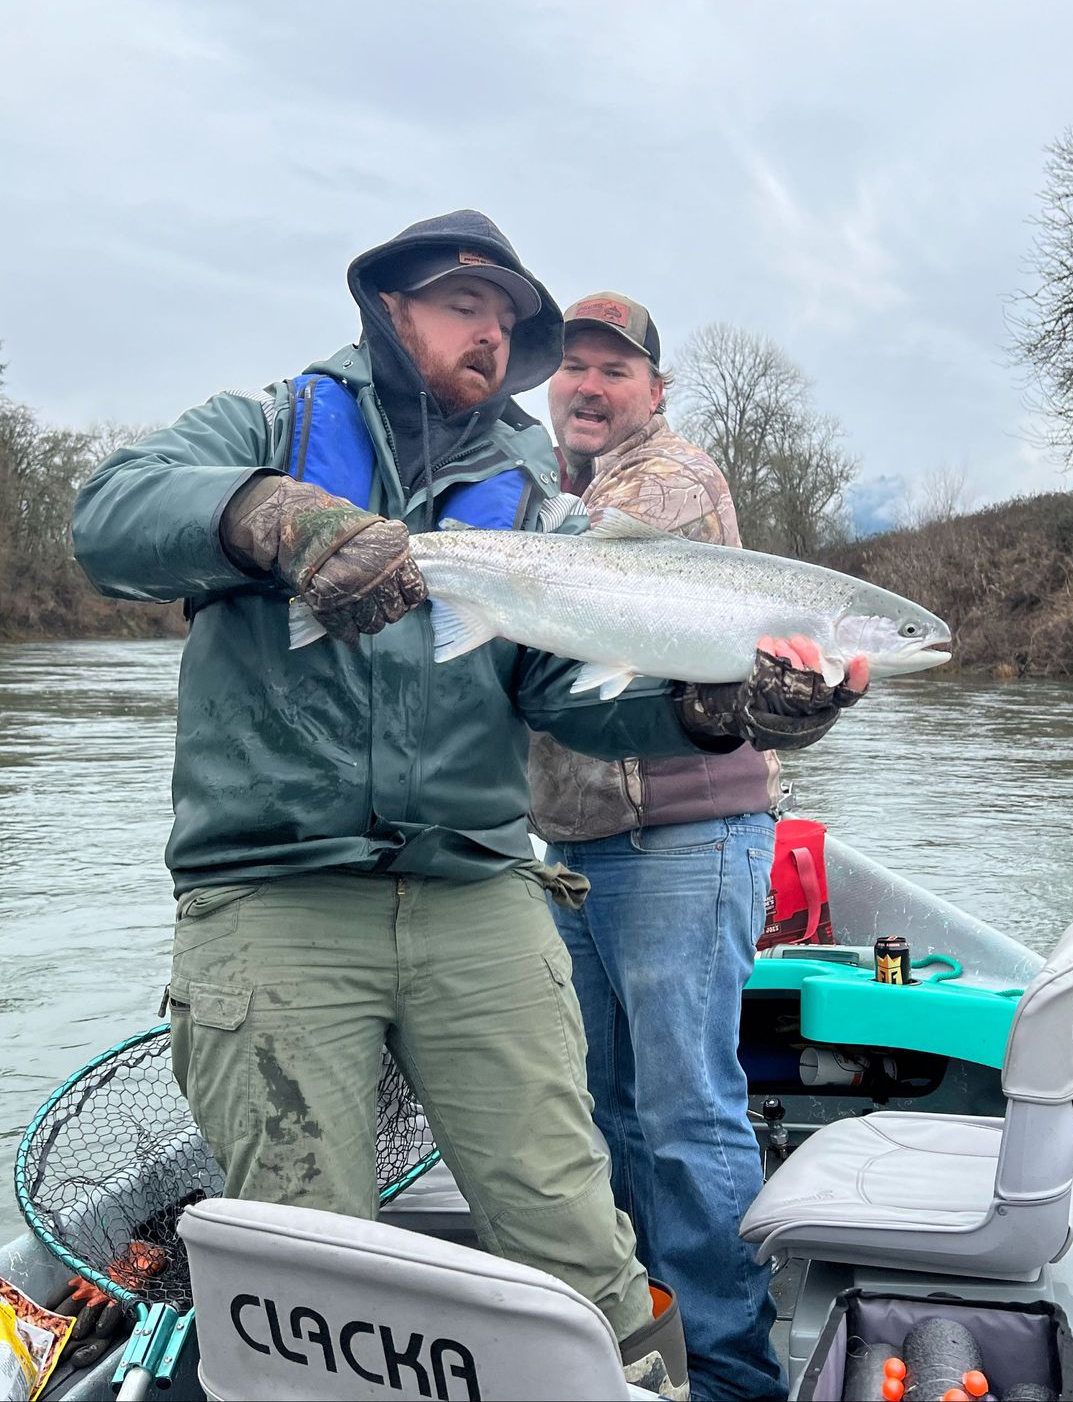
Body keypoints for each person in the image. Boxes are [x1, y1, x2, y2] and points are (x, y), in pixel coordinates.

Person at [72, 215, 850, 1397]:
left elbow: (565, 704)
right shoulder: (268, 423)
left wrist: (714, 713)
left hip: (477, 892)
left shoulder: (526, 489)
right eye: (462, 303)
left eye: (506, 319)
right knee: (304, 1259)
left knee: (574, 1231)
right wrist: (267, 517)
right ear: (389, 305)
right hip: (273, 894)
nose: (490, 333)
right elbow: (108, 520)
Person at [529, 291, 868, 1402]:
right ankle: (646, 1332)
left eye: (613, 372)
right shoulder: (560, 490)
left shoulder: (657, 483)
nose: (587, 386)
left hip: (680, 833)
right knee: (609, 1106)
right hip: (582, 843)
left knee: (681, 1112)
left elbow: (573, 601)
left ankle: (725, 1370)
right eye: (571, 368)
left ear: (654, 393)